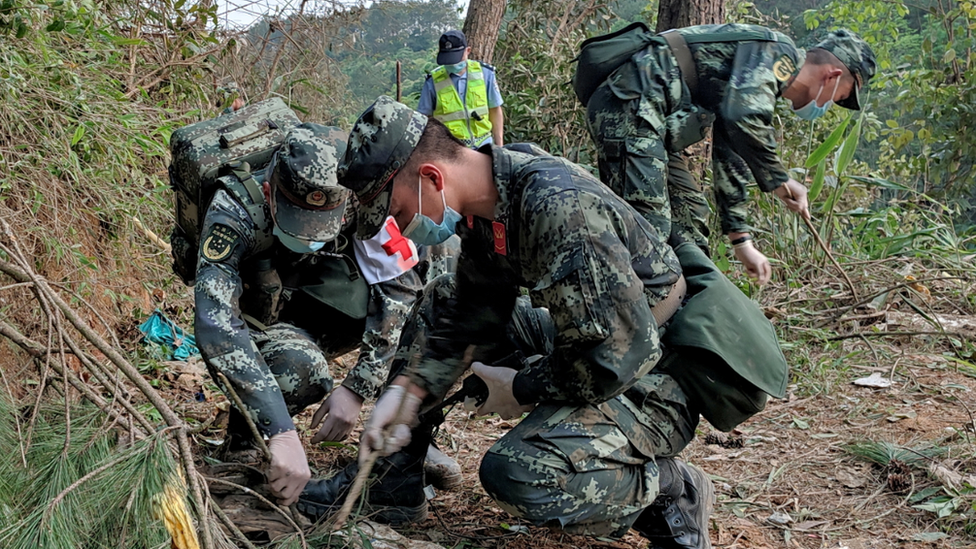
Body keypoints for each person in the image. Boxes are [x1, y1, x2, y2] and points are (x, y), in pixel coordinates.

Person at [297, 97, 789, 549]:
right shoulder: (491, 201)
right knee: (441, 299)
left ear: (431, 177)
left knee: (521, 473)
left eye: (397, 210)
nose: (400, 227)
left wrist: (522, 385)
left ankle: (669, 488)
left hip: (659, 369)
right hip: (597, 336)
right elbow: (473, 310)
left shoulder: (556, 206)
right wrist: (410, 391)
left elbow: (613, 359)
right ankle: (393, 483)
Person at [194, 122, 459, 508]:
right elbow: (216, 323)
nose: (311, 237)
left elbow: (399, 287)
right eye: (300, 226)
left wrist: (358, 389)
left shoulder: (356, 189)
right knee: (298, 369)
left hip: (324, 294)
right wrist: (280, 430)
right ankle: (246, 436)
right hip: (265, 310)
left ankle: (401, 442)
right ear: (270, 194)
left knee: (439, 274)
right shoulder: (233, 211)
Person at [583, 26, 876, 284]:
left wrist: (741, 240)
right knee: (649, 232)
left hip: (649, 118)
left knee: (689, 218)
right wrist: (780, 179)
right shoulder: (778, 53)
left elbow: (731, 149)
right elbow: (742, 117)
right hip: (630, 104)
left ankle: (689, 315)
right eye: (840, 97)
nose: (830, 105)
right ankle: (620, 323)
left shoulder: (759, 82)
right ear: (833, 76)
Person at [417, 29, 504, 148]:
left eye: (456, 58)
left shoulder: (485, 74)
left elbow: (495, 109)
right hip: (450, 150)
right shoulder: (433, 81)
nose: (453, 63)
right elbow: (425, 118)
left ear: (468, 51)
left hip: (483, 145)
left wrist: (500, 147)